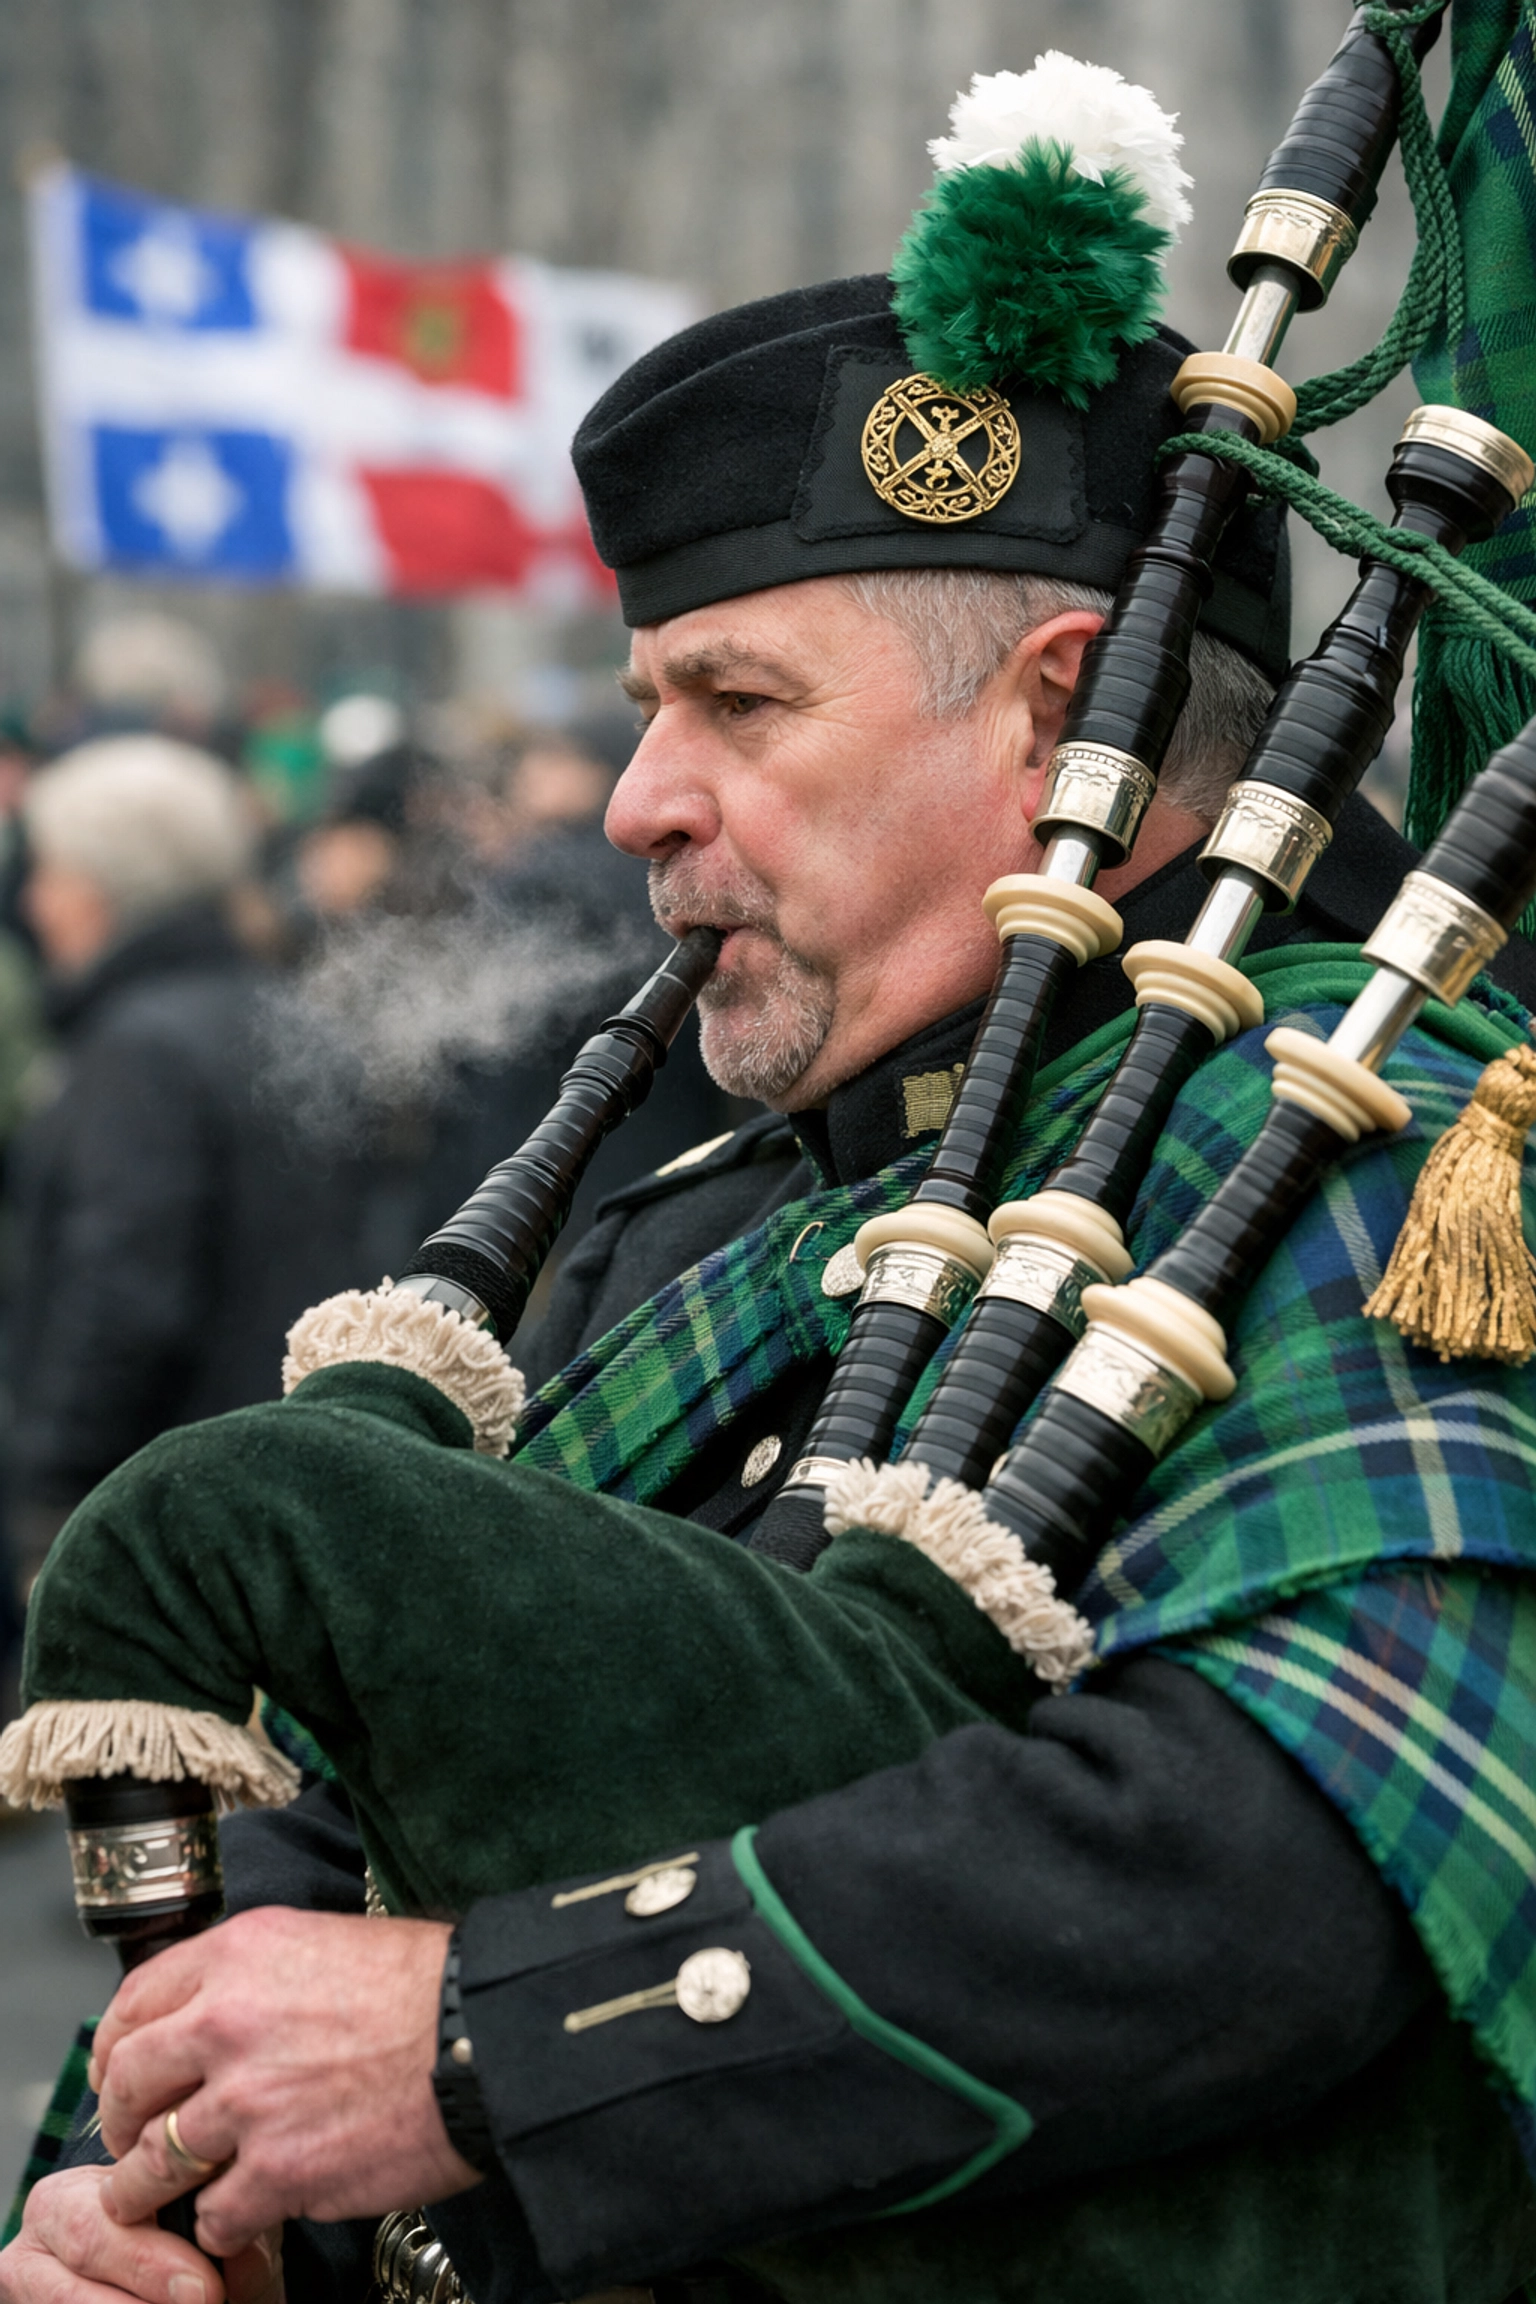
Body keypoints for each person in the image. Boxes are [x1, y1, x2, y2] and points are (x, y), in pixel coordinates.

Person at [7, 103, 1536, 2304]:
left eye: (734, 702)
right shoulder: (737, 1205)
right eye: (646, 706)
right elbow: (397, 1793)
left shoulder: (1366, 1143)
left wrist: (474, 2046)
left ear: (1065, 723)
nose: (640, 799)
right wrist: (172, 2207)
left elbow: (1268, 1869)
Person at [2, 736, 381, 1596]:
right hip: (287, 1481)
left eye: (53, 873)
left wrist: (50, 1495)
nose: (35, 900)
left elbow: (122, 1298)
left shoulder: (139, 1052)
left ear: (106, 888)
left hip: (158, 1510)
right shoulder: (290, 1016)